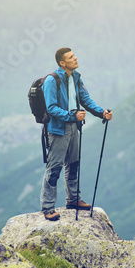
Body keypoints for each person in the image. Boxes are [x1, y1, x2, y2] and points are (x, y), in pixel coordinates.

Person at [40, 47, 113, 221]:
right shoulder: (52, 80)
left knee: (73, 164)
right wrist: (72, 115)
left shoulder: (76, 78)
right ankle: (48, 207)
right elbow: (51, 108)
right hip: (58, 129)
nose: (75, 58)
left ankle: (73, 200)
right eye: (71, 57)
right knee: (54, 167)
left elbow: (85, 100)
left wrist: (102, 112)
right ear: (62, 63)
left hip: (74, 127)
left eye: (74, 55)